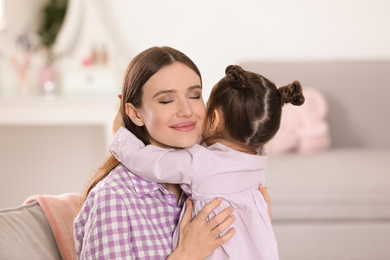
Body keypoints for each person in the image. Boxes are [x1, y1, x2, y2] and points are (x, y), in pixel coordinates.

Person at [74, 47, 272, 260]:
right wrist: (186, 255)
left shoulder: (216, 175)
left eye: (195, 95)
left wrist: (254, 221)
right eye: (166, 100)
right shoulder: (114, 199)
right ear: (134, 113)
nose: (187, 110)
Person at [109, 65, 305, 259]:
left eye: (198, 98)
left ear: (214, 119)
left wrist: (119, 132)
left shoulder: (199, 162)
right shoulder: (257, 160)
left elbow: (146, 162)